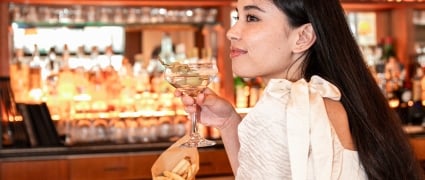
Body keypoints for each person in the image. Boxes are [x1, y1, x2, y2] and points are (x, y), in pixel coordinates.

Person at [175, 0, 425, 179]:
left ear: (303, 37)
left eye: (252, 18)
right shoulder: (339, 101)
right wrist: (229, 122)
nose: (232, 32)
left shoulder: (283, 105)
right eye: (236, 17)